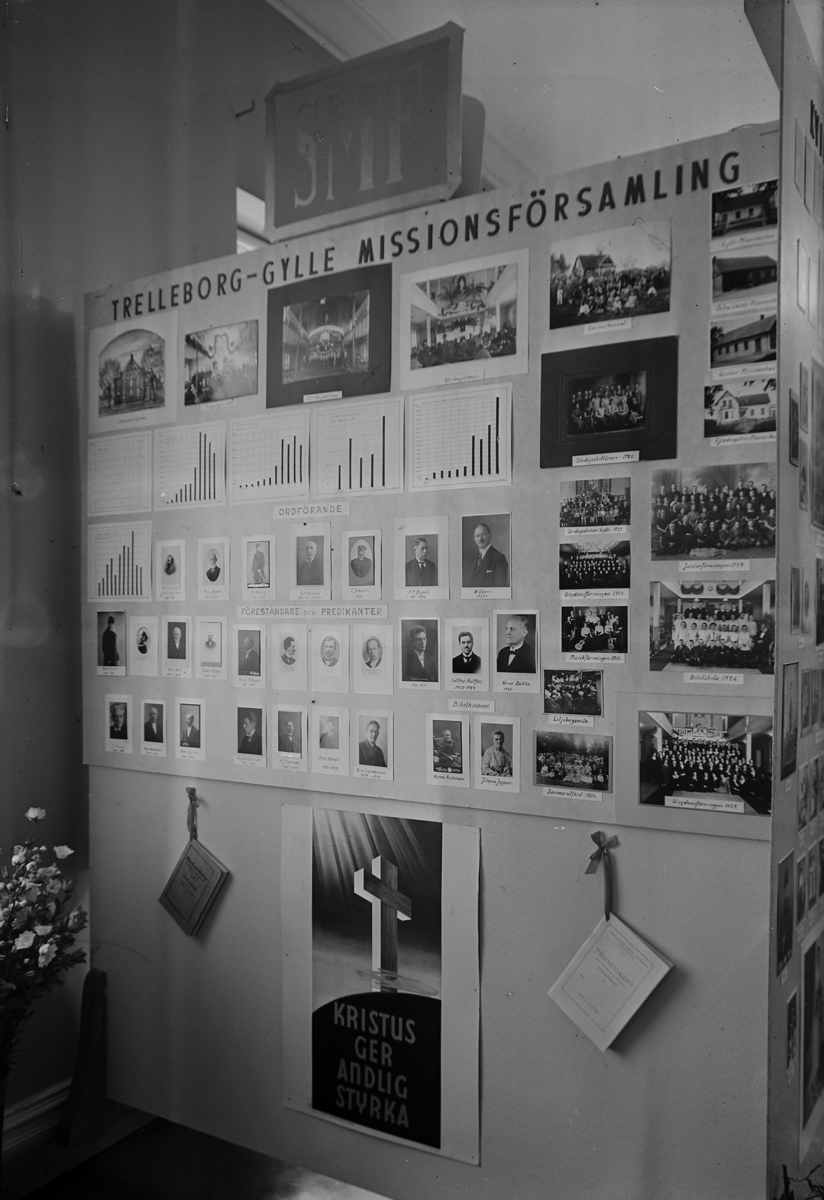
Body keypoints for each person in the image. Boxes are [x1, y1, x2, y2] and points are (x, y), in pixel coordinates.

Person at [465, 522, 509, 588]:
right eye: (477, 536)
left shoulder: (499, 558)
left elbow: (500, 588)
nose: (480, 539)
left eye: (484, 534)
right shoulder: (472, 560)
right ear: (474, 539)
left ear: (490, 536)